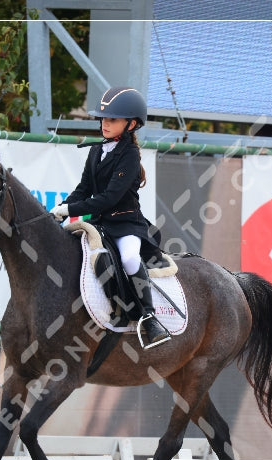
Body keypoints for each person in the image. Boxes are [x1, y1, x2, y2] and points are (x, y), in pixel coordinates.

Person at [49, 86, 171, 349]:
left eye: (112, 119)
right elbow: (84, 189)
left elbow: (109, 198)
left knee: (128, 258)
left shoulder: (129, 155)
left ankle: (149, 318)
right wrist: (60, 208)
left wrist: (70, 211)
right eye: (103, 118)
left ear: (132, 124)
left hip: (126, 223)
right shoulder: (97, 150)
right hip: (101, 224)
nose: (105, 124)